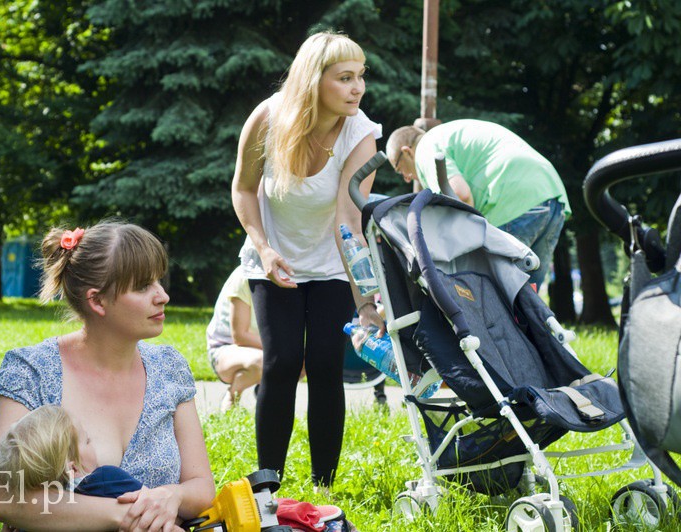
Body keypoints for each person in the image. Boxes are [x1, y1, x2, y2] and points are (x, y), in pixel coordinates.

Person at [0, 221, 215, 531]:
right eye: (143, 286)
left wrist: (170, 496)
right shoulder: (33, 370)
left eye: (159, 282)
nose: (162, 296)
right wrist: (128, 517)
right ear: (97, 300)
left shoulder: (169, 367)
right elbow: (2, 496)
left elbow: (201, 486)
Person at [231, 31, 385, 489]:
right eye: (345, 78)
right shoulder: (268, 118)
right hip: (272, 258)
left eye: (360, 76)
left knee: (323, 364)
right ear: (313, 80)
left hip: (333, 264)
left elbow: (348, 221)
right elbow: (243, 189)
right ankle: (268, 486)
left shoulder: (363, 134)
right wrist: (263, 248)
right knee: (280, 363)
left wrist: (364, 301)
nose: (358, 88)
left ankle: (324, 486)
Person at [386, 120, 571, 289]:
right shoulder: (446, 133)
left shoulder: (425, 148)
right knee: (529, 293)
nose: (406, 177)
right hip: (551, 193)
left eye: (399, 168)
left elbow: (459, 194)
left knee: (496, 291)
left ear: (406, 152)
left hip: (511, 199)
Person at [0, 404, 144, 500]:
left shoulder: (37, 513)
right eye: (87, 441)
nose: (92, 443)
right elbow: (151, 503)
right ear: (73, 468)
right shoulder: (106, 479)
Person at [206, 266, 263, 412]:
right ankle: (231, 396)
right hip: (225, 348)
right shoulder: (244, 276)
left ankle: (265, 393)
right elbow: (240, 336)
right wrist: (280, 348)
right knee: (264, 361)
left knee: (302, 359)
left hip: (260, 347)